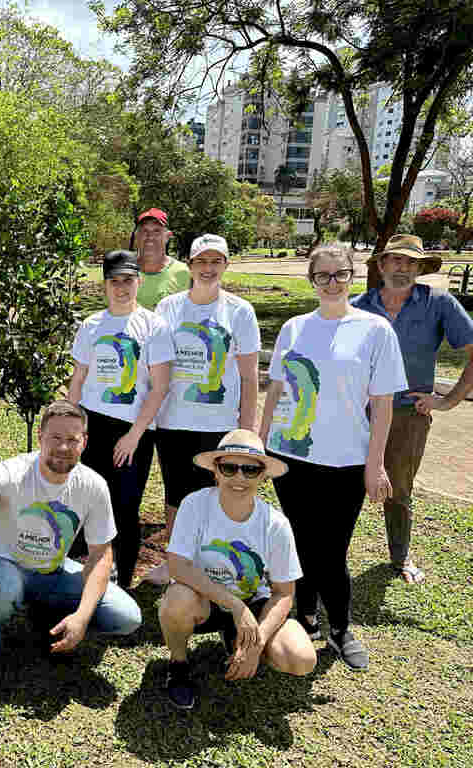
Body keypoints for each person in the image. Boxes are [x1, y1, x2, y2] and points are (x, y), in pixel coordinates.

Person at [260, 246, 407, 671]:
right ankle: (306, 618)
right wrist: (261, 438)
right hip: (290, 456)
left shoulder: (375, 330)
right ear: (311, 280)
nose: (332, 282)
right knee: (301, 542)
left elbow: (382, 405)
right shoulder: (293, 328)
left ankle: (340, 627)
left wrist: (375, 464)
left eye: (339, 274)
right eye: (322, 276)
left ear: (353, 275)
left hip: (345, 460)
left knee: (332, 550)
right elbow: (277, 389)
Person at [0, 401, 143, 683]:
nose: (63, 447)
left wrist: (82, 617)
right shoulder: (14, 472)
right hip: (4, 563)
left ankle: (46, 616)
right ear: (40, 438)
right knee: (3, 587)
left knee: (126, 616)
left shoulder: (92, 486)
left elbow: (101, 555)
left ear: (84, 442)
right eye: (55, 438)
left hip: (52, 571)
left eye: (72, 439)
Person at [160, 429, 316, 710]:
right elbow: (177, 565)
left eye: (250, 470)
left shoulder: (275, 523)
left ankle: (240, 641)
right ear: (216, 472)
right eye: (229, 468)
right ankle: (178, 665)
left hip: (252, 602)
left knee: (301, 659)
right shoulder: (195, 504)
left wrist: (258, 640)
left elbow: (284, 594)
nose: (239, 478)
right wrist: (234, 606)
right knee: (176, 600)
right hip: (204, 598)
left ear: (263, 476)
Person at [352, 234, 473, 585]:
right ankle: (331, 556)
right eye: (396, 260)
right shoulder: (358, 307)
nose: (402, 268)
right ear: (381, 265)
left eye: (410, 262)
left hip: (407, 415)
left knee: (400, 489)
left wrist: (447, 400)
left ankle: (399, 557)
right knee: (345, 485)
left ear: (420, 268)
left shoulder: (439, 303)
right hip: (358, 415)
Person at [149, 234, 261, 585]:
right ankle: (175, 563)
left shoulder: (240, 311)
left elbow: (248, 376)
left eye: (216, 262)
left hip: (219, 425)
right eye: (201, 261)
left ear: (225, 265)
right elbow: (157, 364)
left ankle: (215, 564)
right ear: (190, 265)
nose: (208, 269)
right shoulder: (168, 308)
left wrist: (246, 430)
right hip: (173, 421)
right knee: (176, 496)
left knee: (220, 495)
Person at [67, 249, 173, 587]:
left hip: (132, 431)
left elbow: (159, 387)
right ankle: (75, 578)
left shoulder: (153, 326)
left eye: (128, 280)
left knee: (125, 508)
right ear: (105, 285)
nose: (121, 287)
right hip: (91, 425)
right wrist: (71, 429)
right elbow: (79, 379)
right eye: (114, 281)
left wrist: (134, 436)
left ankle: (123, 581)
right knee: (83, 501)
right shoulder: (91, 325)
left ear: (138, 282)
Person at [130, 208, 191, 310]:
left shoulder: (184, 272)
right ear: (137, 235)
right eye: (144, 231)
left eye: (157, 231)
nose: (150, 236)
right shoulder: (123, 269)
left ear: (167, 236)